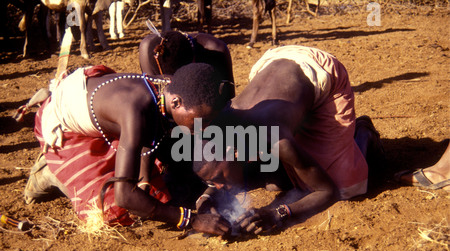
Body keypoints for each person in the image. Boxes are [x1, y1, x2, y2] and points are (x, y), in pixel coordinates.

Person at [167, 46, 384, 235]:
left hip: (320, 71)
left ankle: (363, 132)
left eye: (219, 179)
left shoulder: (274, 139)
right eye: (213, 182)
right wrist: (204, 198)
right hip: (271, 64)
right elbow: (215, 170)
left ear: (233, 152)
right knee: (276, 179)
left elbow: (327, 192)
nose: (221, 186)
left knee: (345, 186)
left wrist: (278, 214)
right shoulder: (218, 127)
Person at [24, 63, 231, 236]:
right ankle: (49, 171)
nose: (205, 127)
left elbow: (152, 132)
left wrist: (144, 181)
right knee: (116, 210)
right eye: (202, 120)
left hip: (106, 112)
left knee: (152, 195)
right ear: (176, 103)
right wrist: (191, 220)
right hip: (62, 126)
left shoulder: (171, 88)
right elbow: (125, 196)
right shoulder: (135, 111)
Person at [139, 30, 235, 100]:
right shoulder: (147, 51)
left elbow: (228, 101)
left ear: (192, 61)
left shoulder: (216, 52)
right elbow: (153, 99)